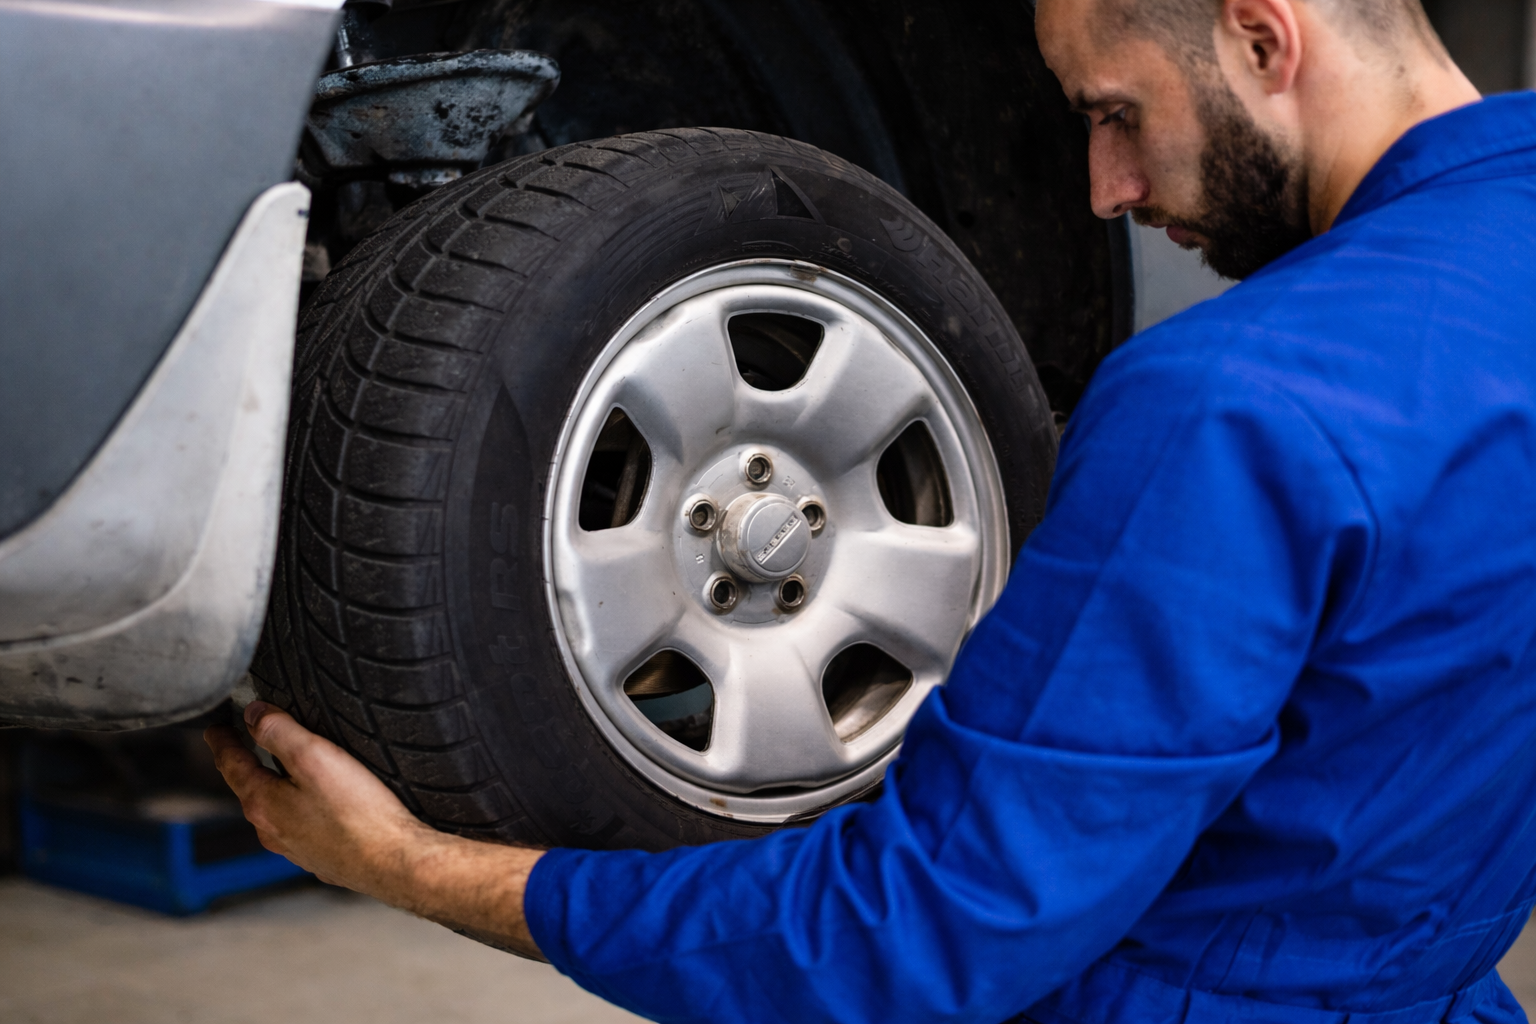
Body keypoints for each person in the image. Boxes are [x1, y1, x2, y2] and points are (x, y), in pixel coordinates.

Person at [208, 0, 1536, 1020]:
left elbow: (924, 929)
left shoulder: (1232, 403)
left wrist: (414, 867)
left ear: (1262, 36)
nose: (1106, 191)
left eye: (1115, 113)